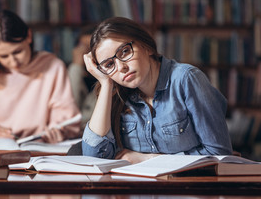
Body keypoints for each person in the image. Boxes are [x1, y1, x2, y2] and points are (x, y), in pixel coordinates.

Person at [82, 17, 233, 164]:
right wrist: (106, 82)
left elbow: (219, 154)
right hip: (139, 187)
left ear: (146, 46)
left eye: (125, 52)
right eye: (109, 65)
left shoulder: (186, 79)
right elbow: (94, 157)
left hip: (187, 187)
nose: (121, 67)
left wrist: (149, 159)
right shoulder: (119, 94)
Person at [0, 9, 80, 143]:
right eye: (3, 56)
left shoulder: (53, 66)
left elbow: (67, 121)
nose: (13, 62)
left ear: (29, 36)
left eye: (17, 52)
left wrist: (58, 132)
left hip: (39, 150)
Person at [68, 26, 97, 130]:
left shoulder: (108, 79)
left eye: (91, 48)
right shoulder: (73, 73)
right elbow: (69, 107)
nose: (86, 53)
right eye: (82, 47)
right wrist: (76, 66)